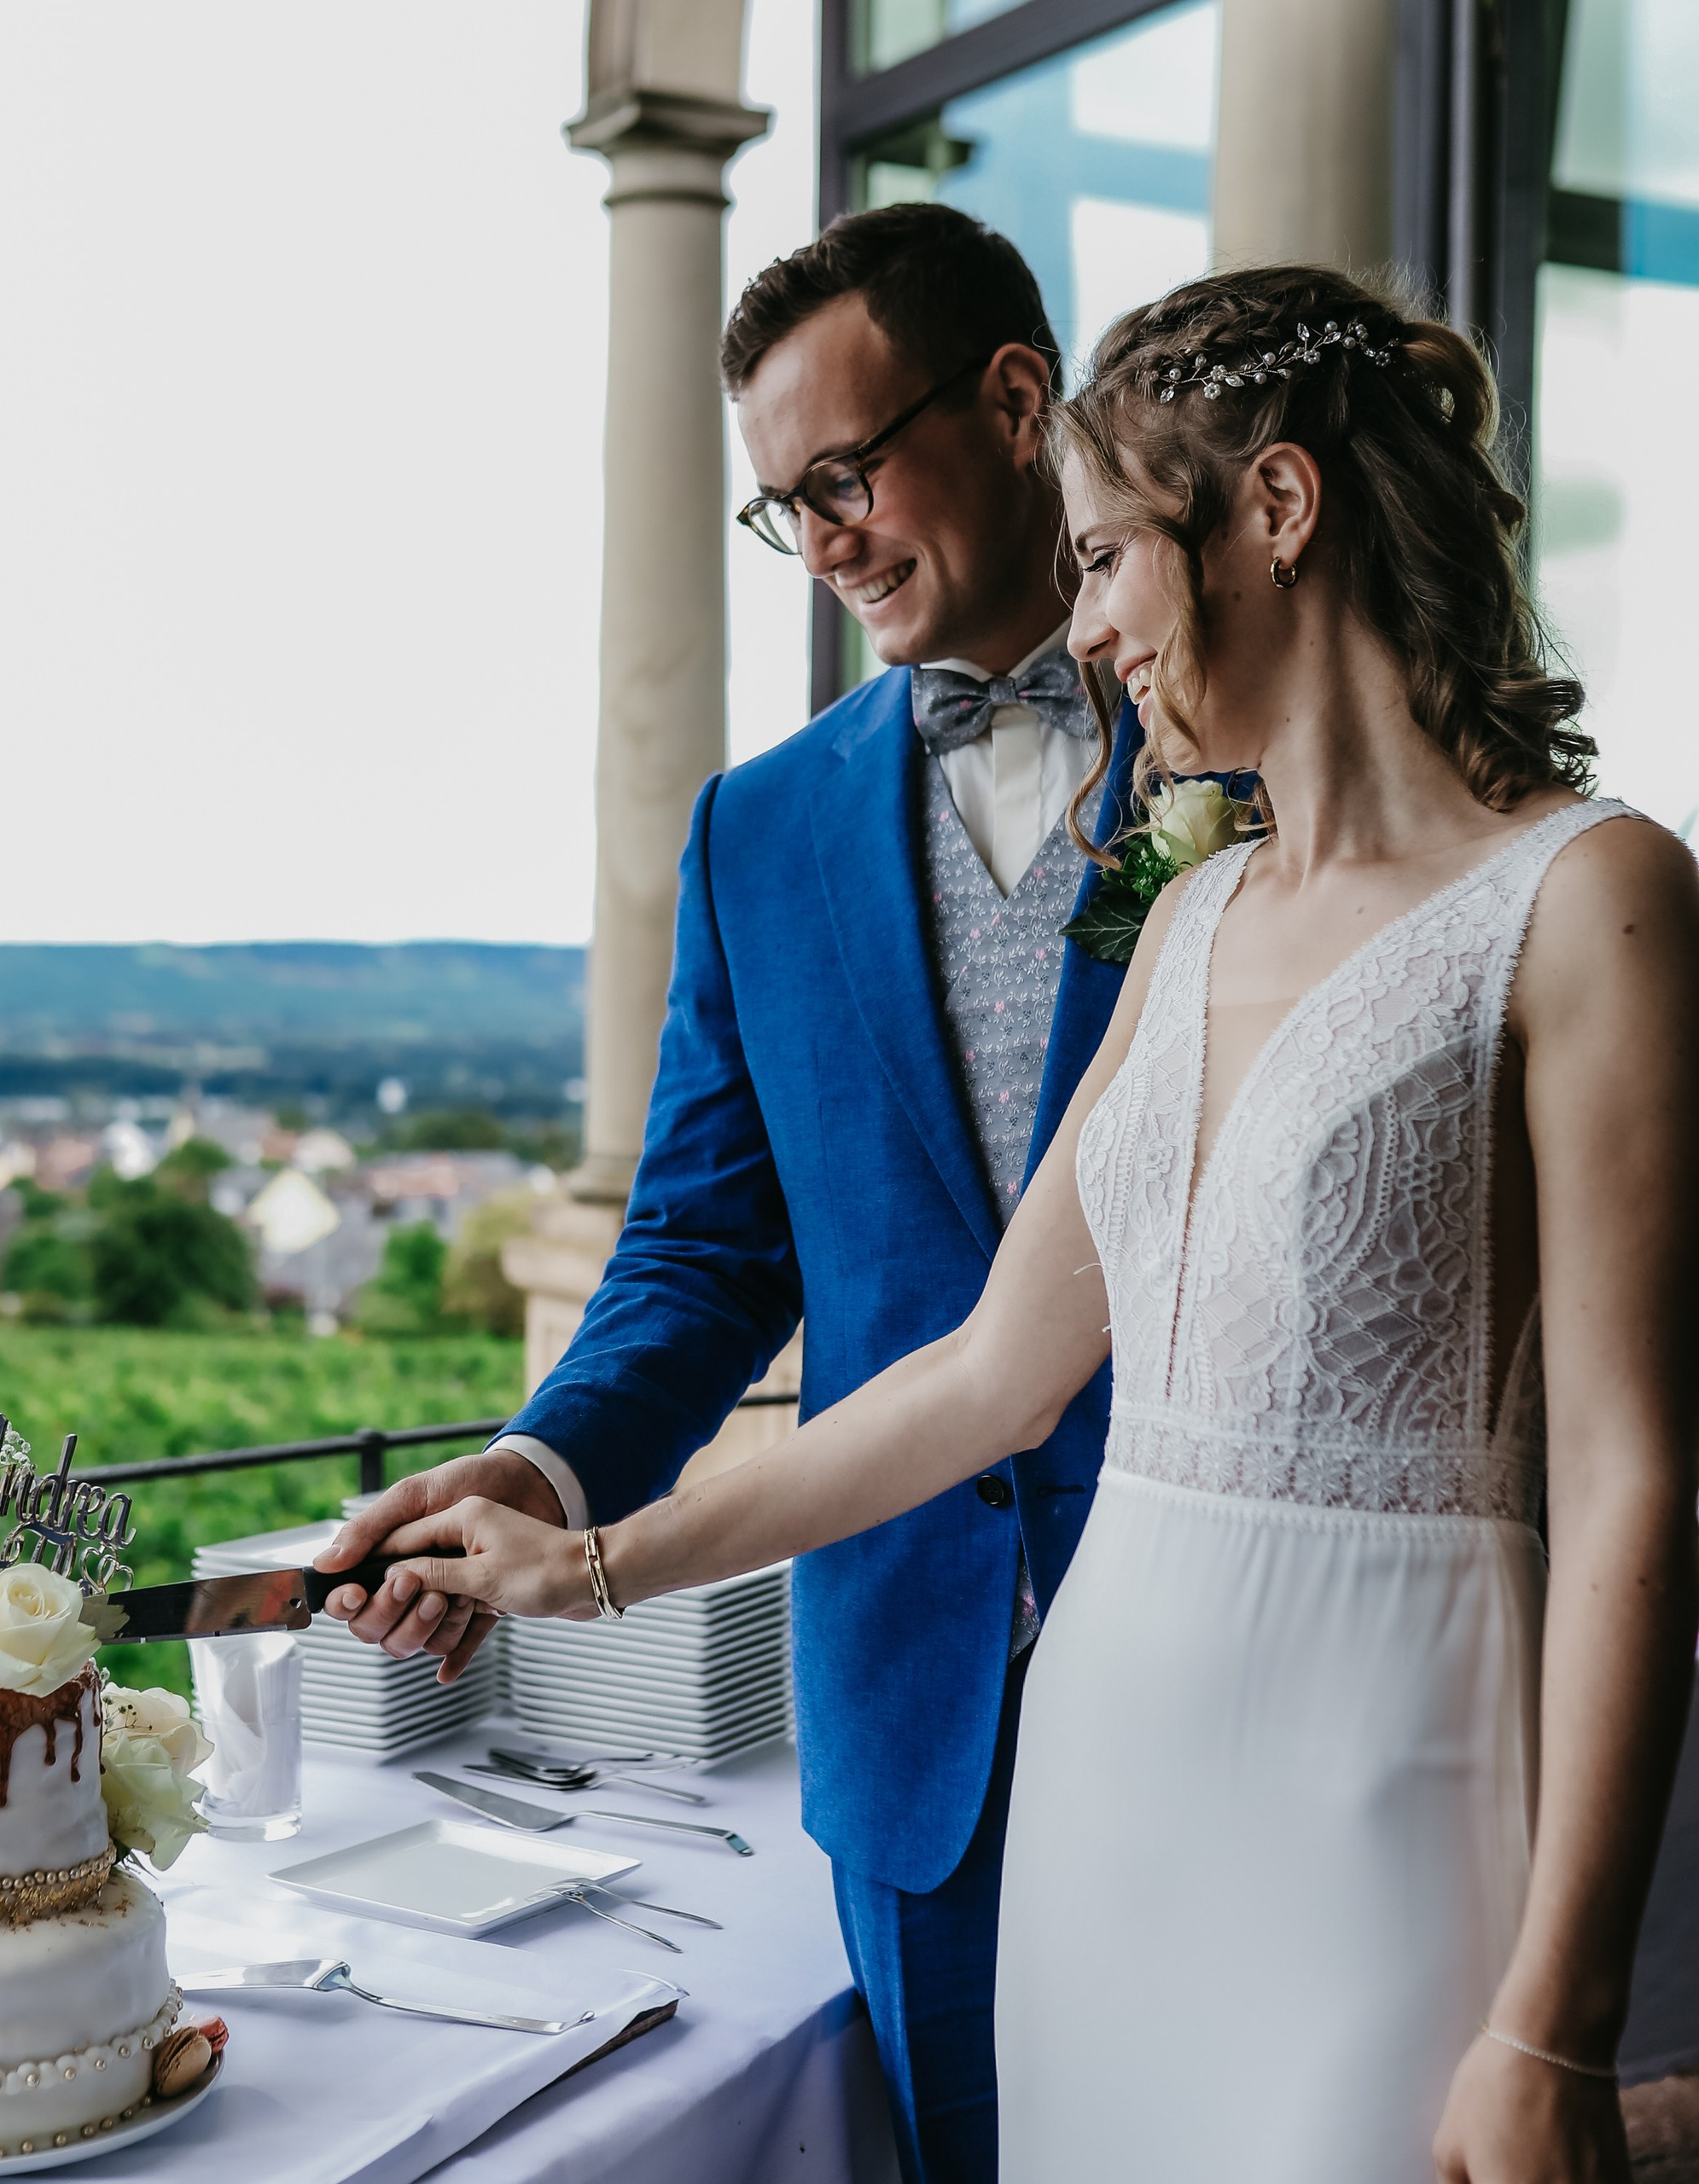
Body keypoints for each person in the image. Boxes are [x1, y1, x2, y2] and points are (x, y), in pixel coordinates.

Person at [326, 264, 1699, 2183]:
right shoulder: (1181, 905)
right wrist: (591, 1551)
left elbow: (1637, 1472)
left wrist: (1556, 2014)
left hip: (1381, 1774)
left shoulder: (1582, 894)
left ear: (1271, 512)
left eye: (1109, 558)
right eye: (775, 501)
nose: (1091, 621)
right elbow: (956, 1358)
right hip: (1066, 1784)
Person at [324, 201, 1144, 2183]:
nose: (826, 542)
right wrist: (537, 1473)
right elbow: (701, 1247)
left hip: (1226, 1638)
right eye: (786, 509)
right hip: (908, 1703)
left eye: (845, 477)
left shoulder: (1259, 757)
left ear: (1016, 403)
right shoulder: (752, 830)